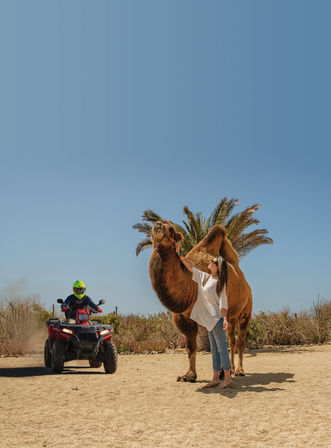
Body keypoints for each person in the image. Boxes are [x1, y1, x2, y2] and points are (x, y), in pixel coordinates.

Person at [174, 242, 232, 389]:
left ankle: (227, 378)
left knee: (222, 349)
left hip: (217, 319)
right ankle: (215, 378)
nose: (210, 262)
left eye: (213, 262)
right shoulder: (206, 278)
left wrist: (225, 319)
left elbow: (223, 302)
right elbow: (191, 268)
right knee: (214, 350)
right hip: (209, 321)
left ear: (217, 266)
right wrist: (180, 255)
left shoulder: (220, 282)